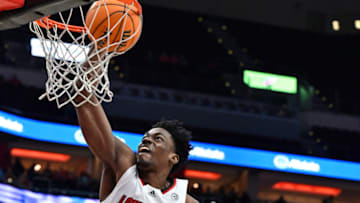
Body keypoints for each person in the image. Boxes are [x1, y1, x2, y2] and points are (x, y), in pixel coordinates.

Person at [75, 54, 198, 202]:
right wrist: (101, 47)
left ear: (173, 157)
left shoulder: (182, 200)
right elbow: (84, 96)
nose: (146, 140)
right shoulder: (124, 163)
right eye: (146, 137)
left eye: (157, 139)